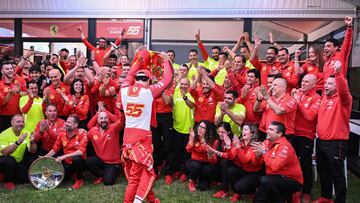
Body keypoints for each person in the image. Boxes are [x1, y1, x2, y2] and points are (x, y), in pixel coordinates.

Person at [120, 50, 173, 203]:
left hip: (127, 137)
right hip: (142, 138)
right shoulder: (149, 92)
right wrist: (165, 61)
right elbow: (167, 78)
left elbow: (129, 74)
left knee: (137, 172)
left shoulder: (124, 89)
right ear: (149, 81)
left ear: (136, 79)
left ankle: (152, 199)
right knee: (138, 176)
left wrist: (140, 59)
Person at [313, 61, 352, 203]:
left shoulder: (344, 100)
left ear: (338, 86)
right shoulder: (324, 98)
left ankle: (340, 200)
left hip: (336, 142)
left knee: (337, 174)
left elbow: (344, 90)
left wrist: (339, 74)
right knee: (323, 172)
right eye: (326, 83)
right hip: (321, 141)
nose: (326, 86)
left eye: (330, 84)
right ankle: (326, 197)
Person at [252, 121, 303, 203]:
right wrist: (257, 156)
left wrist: (264, 152)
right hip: (274, 179)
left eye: (271, 129)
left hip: (291, 180)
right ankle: (287, 196)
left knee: (265, 180)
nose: (267, 131)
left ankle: (283, 200)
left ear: (279, 134)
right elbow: (255, 164)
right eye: (268, 129)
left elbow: (276, 166)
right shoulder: (266, 142)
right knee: (257, 200)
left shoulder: (285, 146)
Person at [291, 74, 321, 203]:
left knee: (305, 165)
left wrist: (298, 102)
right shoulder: (299, 94)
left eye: (307, 82)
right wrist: (293, 98)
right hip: (293, 133)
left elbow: (310, 117)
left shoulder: (317, 98)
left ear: (314, 84)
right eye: (302, 81)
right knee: (293, 164)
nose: (303, 84)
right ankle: (295, 190)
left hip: (306, 136)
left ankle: (306, 192)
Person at [44, 115, 88, 190]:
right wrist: (45, 157)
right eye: (66, 122)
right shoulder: (62, 133)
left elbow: (81, 151)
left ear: (75, 125)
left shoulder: (82, 133)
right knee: (56, 179)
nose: (66, 124)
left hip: (80, 162)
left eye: (69, 122)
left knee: (77, 159)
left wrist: (64, 156)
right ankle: (73, 174)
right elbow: (55, 149)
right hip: (67, 163)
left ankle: (80, 179)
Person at [226, 124, 263, 202]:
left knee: (239, 187)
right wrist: (229, 147)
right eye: (242, 129)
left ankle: (252, 191)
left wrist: (237, 147)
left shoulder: (256, 145)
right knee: (230, 170)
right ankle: (237, 193)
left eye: (245, 130)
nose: (243, 131)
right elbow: (230, 157)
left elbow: (245, 160)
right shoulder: (240, 142)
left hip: (255, 174)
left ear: (252, 134)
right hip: (244, 171)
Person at [86, 111, 124, 186]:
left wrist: (105, 111)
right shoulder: (93, 131)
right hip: (101, 161)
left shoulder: (114, 128)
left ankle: (108, 173)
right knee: (88, 162)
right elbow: (88, 127)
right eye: (101, 118)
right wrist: (98, 113)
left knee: (108, 182)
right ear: (97, 120)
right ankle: (102, 174)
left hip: (113, 163)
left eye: (106, 118)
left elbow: (121, 121)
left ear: (109, 119)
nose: (103, 120)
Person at [0, 114, 37, 190]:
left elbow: (32, 151)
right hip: (3, 160)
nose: (21, 124)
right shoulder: (3, 134)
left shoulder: (26, 132)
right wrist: (18, 141)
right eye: (18, 122)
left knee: (25, 179)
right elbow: (5, 153)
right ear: (12, 122)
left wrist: (32, 142)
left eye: (22, 122)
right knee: (9, 160)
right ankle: (8, 181)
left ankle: (5, 175)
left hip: (18, 161)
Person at [170, 77, 195, 183]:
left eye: (186, 84)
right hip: (176, 127)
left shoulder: (192, 95)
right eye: (182, 84)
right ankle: (176, 170)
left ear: (189, 85)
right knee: (176, 151)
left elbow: (192, 106)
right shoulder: (175, 93)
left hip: (188, 129)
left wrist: (185, 97)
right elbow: (171, 106)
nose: (184, 86)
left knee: (187, 153)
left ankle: (185, 173)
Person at [186, 120, 218, 192]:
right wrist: (192, 139)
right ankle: (191, 180)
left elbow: (213, 161)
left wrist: (203, 140)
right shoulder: (194, 136)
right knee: (195, 165)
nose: (200, 129)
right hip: (195, 162)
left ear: (207, 131)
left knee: (203, 187)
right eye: (199, 126)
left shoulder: (213, 140)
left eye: (203, 128)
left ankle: (202, 179)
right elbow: (188, 149)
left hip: (206, 164)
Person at [0, 62, 27, 131]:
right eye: (7, 69)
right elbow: (2, 102)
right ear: (2, 71)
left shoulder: (20, 80)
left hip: (19, 115)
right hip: (5, 117)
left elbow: (26, 94)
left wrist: (18, 91)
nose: (10, 70)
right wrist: (11, 93)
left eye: (11, 68)